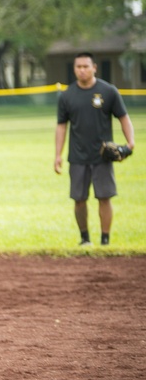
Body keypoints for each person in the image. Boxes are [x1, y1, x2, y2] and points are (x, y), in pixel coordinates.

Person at [54, 52, 135, 246]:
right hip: (77, 156)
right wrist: (58, 154)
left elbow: (123, 117)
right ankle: (85, 239)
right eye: (78, 67)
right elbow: (61, 126)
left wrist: (130, 142)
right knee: (79, 199)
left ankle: (105, 240)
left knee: (104, 198)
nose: (82, 70)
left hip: (102, 156)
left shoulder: (108, 91)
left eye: (85, 66)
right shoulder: (67, 95)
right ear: (74, 69)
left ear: (94, 68)